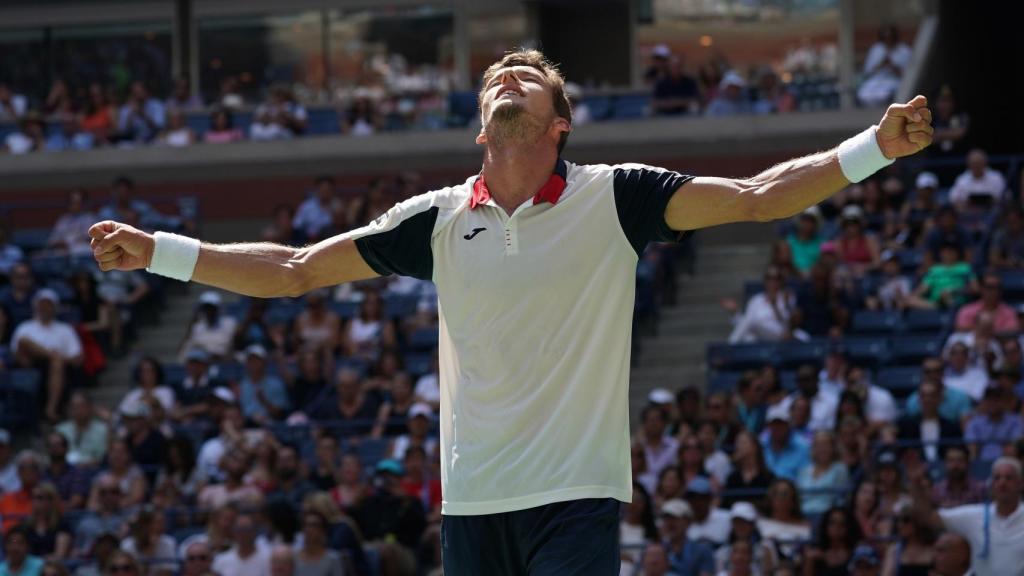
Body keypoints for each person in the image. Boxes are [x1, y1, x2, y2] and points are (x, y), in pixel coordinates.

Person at [89, 48, 934, 574]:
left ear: (559, 123)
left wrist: (871, 150)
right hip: (473, 503)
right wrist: (160, 249)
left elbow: (755, 198)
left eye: (524, 77)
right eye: (495, 77)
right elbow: (295, 270)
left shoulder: (617, 198)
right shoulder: (436, 219)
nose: (504, 78)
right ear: (479, 126)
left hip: (574, 492)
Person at [914, 457, 1024, 576]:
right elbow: (929, 518)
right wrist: (915, 483)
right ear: (991, 484)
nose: (1002, 483)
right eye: (997, 478)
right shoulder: (975, 515)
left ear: (1021, 484)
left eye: (1009, 478)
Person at [11, 289, 83, 422]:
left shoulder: (65, 329)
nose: (44, 308)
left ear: (55, 307)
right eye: (41, 304)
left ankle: (51, 409)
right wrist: (51, 354)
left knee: (56, 363)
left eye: (48, 304)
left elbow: (77, 358)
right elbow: (16, 351)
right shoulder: (25, 327)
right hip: (29, 364)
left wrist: (57, 358)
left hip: (60, 368)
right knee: (24, 341)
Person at [857, 25, 912, 106]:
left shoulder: (904, 50)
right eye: (885, 37)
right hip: (877, 79)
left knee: (882, 96)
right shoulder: (876, 49)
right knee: (863, 94)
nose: (888, 40)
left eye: (890, 37)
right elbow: (867, 71)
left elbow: (909, 75)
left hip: (894, 80)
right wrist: (881, 64)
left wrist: (892, 65)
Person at [797, 431, 848, 516]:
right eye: (818, 445)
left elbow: (841, 501)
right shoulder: (804, 471)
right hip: (802, 516)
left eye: (826, 444)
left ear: (833, 447)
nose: (822, 449)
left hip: (827, 518)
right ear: (813, 448)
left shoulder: (840, 469)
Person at [659, 499, 714, 576]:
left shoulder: (702, 551)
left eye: (674, 519)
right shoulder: (655, 551)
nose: (669, 523)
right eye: (666, 519)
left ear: (688, 521)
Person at [802, 506, 860, 576]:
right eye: (832, 523)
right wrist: (809, 561)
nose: (837, 527)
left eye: (842, 524)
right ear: (826, 526)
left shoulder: (857, 553)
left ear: (849, 527)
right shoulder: (814, 554)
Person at [211, 511, 271, 576]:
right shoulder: (221, 560)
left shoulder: (269, 558)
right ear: (234, 532)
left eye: (247, 530)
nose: (243, 534)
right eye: (239, 530)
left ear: (254, 531)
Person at [761, 404, 810, 481]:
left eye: (781, 424)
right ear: (768, 426)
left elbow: (805, 479)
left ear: (789, 425)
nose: (777, 428)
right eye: (774, 424)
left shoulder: (803, 447)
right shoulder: (761, 445)